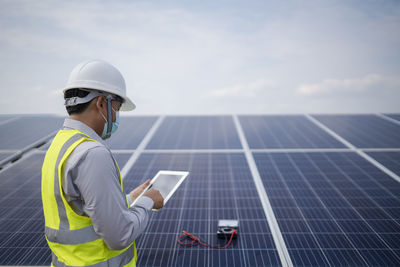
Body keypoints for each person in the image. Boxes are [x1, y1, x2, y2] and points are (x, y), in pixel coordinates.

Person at [41, 59, 164, 266]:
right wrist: (147, 201)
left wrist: (130, 198)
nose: (116, 116)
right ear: (100, 103)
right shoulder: (93, 154)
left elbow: (80, 209)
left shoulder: (60, 144)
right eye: (116, 108)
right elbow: (120, 236)